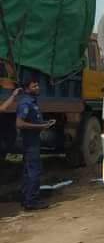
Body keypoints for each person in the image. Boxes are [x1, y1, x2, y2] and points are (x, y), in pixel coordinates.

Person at [16, 77, 55, 211]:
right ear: (27, 89)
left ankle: (26, 199)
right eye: (34, 86)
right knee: (34, 171)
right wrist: (39, 127)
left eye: (38, 85)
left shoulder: (32, 102)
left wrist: (43, 124)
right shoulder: (26, 103)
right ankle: (32, 201)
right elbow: (19, 123)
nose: (38, 88)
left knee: (28, 171)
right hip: (30, 142)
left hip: (33, 140)